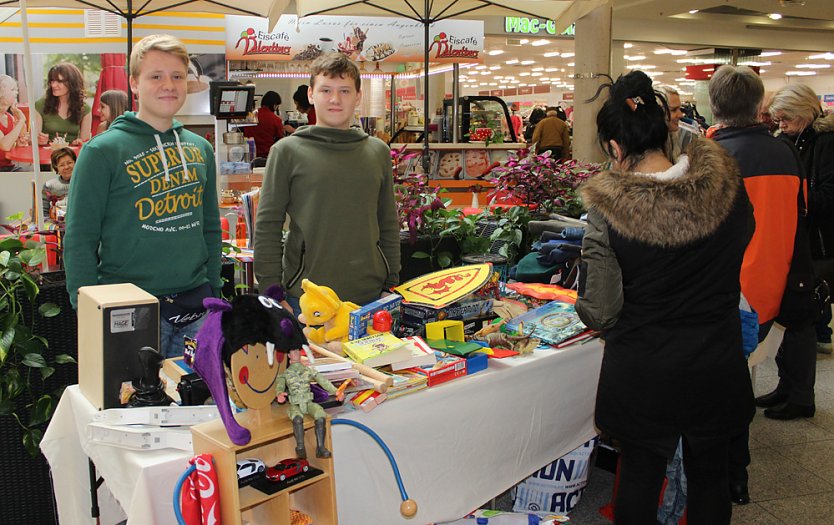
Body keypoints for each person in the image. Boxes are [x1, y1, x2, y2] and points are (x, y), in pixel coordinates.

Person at [576, 70, 755, 525]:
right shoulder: (728, 190)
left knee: (639, 476)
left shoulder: (610, 212)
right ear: (665, 131)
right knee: (710, 476)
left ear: (615, 148)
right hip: (716, 360)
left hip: (643, 369)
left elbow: (600, 308)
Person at [64, 34, 222, 358]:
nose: (169, 85)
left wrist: (215, 294)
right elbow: (80, 239)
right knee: (131, 407)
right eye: (156, 76)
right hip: (129, 311)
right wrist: (88, 308)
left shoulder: (201, 149)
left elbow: (210, 229)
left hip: (197, 310)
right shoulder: (101, 151)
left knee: (199, 404)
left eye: (177, 76)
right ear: (134, 83)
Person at [708, 65, 804, 505]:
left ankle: (729, 474)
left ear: (714, 106)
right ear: (760, 106)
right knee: (740, 378)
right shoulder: (786, 155)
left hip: (723, 289)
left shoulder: (712, 158)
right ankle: (737, 476)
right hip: (770, 286)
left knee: (722, 386)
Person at [254, 52, 400, 313]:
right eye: (326, 90)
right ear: (311, 95)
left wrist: (391, 283)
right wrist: (271, 289)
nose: (335, 99)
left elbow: (387, 221)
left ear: (358, 96)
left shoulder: (377, 152)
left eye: (344, 90)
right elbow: (268, 224)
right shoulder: (287, 151)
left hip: (371, 298)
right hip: (306, 300)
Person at [770, 84, 834, 355]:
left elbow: (829, 195)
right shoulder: (785, 140)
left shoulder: (827, 142)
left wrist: (795, 198)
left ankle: (821, 330)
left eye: (787, 118)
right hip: (797, 228)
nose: (782, 124)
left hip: (818, 233)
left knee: (814, 285)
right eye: (779, 119)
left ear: (806, 112)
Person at [34, 62, 92, 146]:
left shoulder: (85, 108)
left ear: (72, 83)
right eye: (52, 81)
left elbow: (84, 142)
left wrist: (80, 143)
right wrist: (38, 140)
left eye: (59, 81)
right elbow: (32, 140)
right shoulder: (40, 105)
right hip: (46, 155)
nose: (53, 85)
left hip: (71, 156)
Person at [242, 90, 284, 160]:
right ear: (274, 105)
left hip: (249, 155)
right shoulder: (276, 120)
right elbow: (280, 140)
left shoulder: (251, 115)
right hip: (267, 156)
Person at [0, 74, 29, 172]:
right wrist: (21, 120)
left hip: (7, 167)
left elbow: (20, 141)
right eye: (12, 90)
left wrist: (20, 142)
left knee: (28, 173)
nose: (16, 93)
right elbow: (5, 145)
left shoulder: (10, 117)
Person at [42, 147, 76, 220]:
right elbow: (44, 213)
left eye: (69, 163)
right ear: (56, 167)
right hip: (56, 228)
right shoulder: (49, 185)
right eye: (62, 165)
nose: (66, 167)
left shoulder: (85, 183)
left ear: (75, 163)